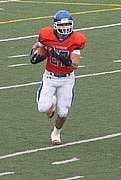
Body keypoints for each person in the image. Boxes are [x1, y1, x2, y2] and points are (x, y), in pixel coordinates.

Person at [30, 10, 87, 145]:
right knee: (43, 108)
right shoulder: (46, 35)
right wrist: (35, 53)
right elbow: (38, 45)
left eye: (67, 25)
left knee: (63, 111)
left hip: (67, 79)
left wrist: (62, 58)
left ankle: (56, 133)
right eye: (61, 26)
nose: (64, 28)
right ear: (55, 26)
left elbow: (75, 64)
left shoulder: (76, 39)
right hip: (50, 77)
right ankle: (52, 101)